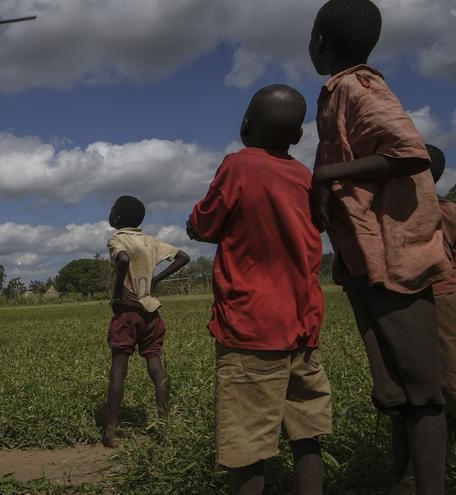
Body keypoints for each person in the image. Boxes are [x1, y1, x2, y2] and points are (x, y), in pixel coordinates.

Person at [309, 1, 451, 493]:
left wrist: (327, 174)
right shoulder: (336, 94)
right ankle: (405, 481)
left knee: (421, 393)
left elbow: (409, 151)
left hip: (396, 260)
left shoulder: (356, 85)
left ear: (320, 40)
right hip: (368, 261)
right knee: (393, 391)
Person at [187, 84, 332, 495]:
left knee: (247, 447)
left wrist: (192, 227)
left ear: (246, 123)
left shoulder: (239, 166)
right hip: (303, 327)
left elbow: (205, 223)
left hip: (252, 330)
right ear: (298, 137)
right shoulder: (304, 176)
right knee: (306, 433)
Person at [103, 195, 190, 449]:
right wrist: (157, 279)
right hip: (151, 313)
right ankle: (164, 429)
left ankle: (110, 433)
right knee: (156, 367)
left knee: (119, 370)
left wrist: (118, 292)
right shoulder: (151, 241)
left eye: (111, 209)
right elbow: (183, 257)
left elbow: (123, 260)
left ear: (117, 217)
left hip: (127, 314)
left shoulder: (118, 239)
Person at [427, 145, 456, 421]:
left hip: (442, 296)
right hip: (440, 295)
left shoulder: (446, 211)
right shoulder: (448, 210)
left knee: (448, 370)